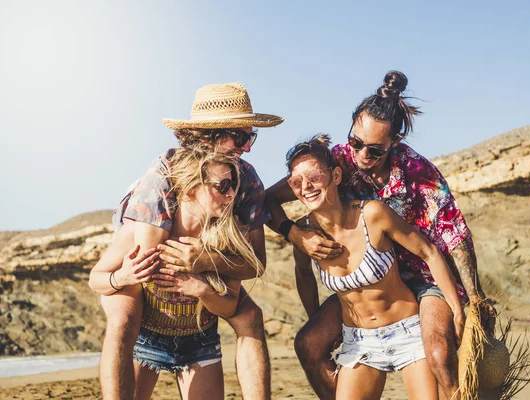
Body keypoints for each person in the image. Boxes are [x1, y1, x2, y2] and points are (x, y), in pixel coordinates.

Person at [266, 71, 495, 400]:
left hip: (423, 275)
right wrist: (296, 235)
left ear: (395, 142)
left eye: (373, 150)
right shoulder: (335, 161)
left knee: (440, 356)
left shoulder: (418, 173)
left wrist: (473, 302)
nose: (360, 154)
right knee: (308, 344)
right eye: (356, 141)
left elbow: (454, 237)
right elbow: (269, 200)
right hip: (371, 276)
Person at [89, 83, 283, 400]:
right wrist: (117, 278)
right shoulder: (161, 178)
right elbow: (150, 261)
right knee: (124, 315)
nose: (248, 147)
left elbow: (255, 263)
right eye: (242, 138)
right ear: (212, 134)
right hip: (146, 293)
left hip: (199, 302)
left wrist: (208, 261)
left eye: (252, 137)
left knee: (250, 316)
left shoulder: (246, 180)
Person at [285, 135, 464, 399]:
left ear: (335, 176)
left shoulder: (372, 214)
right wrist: (319, 321)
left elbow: (429, 252)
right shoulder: (304, 235)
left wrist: (457, 309)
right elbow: (303, 275)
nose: (306, 186)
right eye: (296, 181)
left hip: (408, 334)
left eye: (314, 176)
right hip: (359, 342)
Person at [90, 149, 262, 400]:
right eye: (223, 185)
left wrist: (202, 289)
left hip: (200, 344)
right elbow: (95, 279)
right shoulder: (142, 230)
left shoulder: (226, 238)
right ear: (192, 186)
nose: (231, 194)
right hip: (146, 343)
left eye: (234, 185)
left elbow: (229, 307)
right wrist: (122, 277)